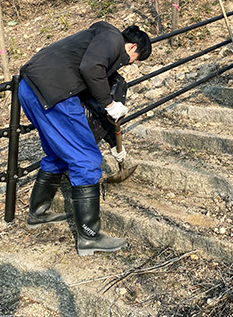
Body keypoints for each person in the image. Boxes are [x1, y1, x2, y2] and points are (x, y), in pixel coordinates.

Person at [19, 22, 151, 256]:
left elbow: (91, 79)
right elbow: (91, 69)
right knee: (87, 159)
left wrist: (113, 143)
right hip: (56, 92)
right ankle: (90, 237)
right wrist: (110, 104)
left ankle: (37, 213)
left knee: (57, 153)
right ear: (131, 47)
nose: (130, 65)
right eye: (135, 59)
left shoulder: (95, 39)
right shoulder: (112, 39)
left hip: (30, 88)